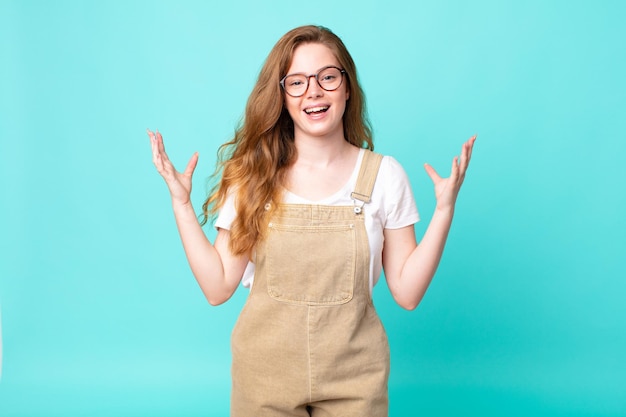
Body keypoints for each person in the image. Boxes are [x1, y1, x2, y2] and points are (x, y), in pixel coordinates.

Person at [148, 25, 475, 417]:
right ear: (282, 97)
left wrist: (444, 211)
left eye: (328, 77)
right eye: (297, 82)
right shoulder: (254, 177)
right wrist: (182, 205)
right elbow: (218, 287)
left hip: (356, 377)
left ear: (347, 86)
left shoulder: (384, 176)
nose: (314, 92)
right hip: (263, 375)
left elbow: (407, 293)